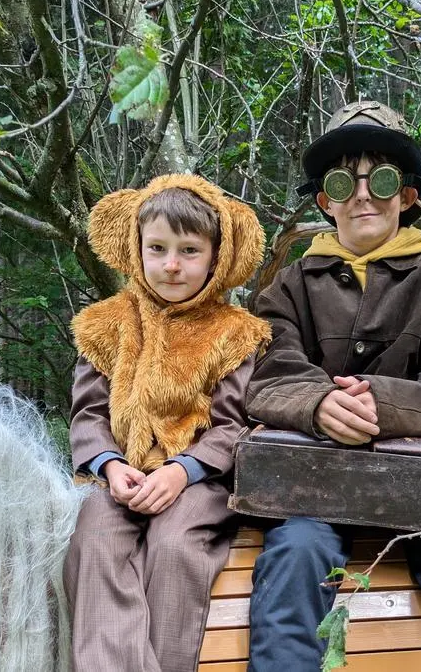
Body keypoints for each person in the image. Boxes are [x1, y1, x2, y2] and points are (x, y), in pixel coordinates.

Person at [245, 100, 421, 671]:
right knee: (293, 558)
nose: (362, 196)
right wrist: (319, 403)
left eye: (380, 180)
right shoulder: (288, 287)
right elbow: (271, 374)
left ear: (407, 195)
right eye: (342, 183)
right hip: (315, 483)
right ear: (324, 202)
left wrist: (382, 403)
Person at [64, 174, 270, 672]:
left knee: (175, 545)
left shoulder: (235, 333)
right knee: (94, 538)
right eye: (157, 249)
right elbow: (89, 412)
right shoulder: (105, 324)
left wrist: (182, 471)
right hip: (121, 476)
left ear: (216, 258)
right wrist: (110, 465)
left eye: (189, 251)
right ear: (136, 249)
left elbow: (234, 424)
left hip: (201, 481)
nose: (171, 265)